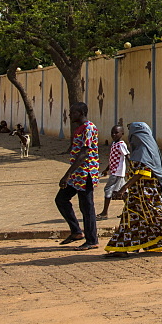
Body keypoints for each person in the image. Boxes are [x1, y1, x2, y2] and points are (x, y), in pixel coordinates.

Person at [103, 121, 162, 258]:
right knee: (129, 220)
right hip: (136, 195)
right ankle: (121, 248)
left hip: (148, 195)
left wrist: (124, 188)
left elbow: (143, 172)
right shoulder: (140, 149)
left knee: (159, 218)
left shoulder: (144, 150)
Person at [54, 102, 100, 250]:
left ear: (81, 113)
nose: (69, 115)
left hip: (86, 173)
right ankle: (76, 231)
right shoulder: (78, 129)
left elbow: (84, 154)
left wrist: (67, 175)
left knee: (87, 207)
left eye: (73, 112)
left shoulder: (89, 128)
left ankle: (92, 240)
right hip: (77, 175)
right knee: (61, 199)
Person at [98, 124, 129, 219]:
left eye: (116, 132)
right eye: (112, 133)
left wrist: (133, 166)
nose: (114, 134)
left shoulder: (121, 145)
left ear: (122, 133)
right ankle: (129, 212)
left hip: (117, 173)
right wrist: (107, 169)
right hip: (114, 171)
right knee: (124, 192)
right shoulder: (114, 144)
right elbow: (112, 159)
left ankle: (104, 213)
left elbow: (127, 156)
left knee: (108, 189)